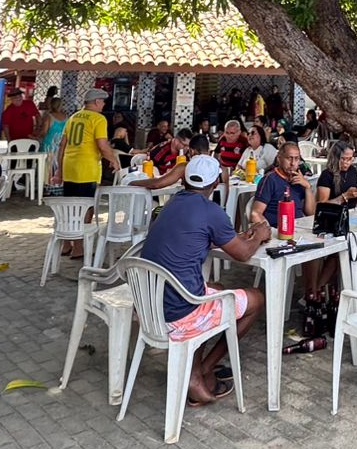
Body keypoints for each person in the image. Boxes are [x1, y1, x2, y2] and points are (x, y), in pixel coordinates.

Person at [140, 154, 269, 406]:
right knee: (256, 299)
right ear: (214, 185)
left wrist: (242, 236)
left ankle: (195, 368)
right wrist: (259, 235)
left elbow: (201, 236)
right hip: (179, 313)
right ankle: (200, 373)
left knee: (217, 288)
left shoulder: (171, 204)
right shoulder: (211, 210)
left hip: (150, 306)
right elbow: (242, 254)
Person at [56, 91, 124, 257]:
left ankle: (66, 244)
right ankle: (78, 247)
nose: (103, 105)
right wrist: (113, 159)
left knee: (70, 207)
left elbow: (62, 145)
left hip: (70, 166)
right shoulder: (98, 119)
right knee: (87, 208)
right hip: (87, 168)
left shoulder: (73, 117)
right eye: (102, 102)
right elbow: (102, 144)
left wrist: (59, 169)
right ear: (96, 101)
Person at [249, 140, 316, 232]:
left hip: (299, 229)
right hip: (277, 230)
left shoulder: (299, 180)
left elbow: (310, 213)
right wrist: (269, 232)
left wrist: (307, 187)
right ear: (279, 158)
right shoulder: (270, 179)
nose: (293, 163)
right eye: (289, 158)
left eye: (296, 159)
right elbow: (255, 213)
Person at [316, 139, 357, 206]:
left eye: (350, 159)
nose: (346, 162)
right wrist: (345, 196)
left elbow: (356, 202)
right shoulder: (327, 175)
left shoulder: (352, 170)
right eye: (343, 159)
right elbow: (321, 205)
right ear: (336, 158)